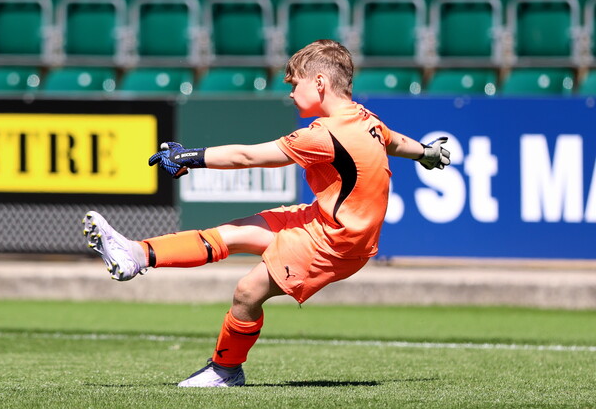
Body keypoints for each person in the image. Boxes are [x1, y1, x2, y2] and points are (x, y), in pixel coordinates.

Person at [82, 39, 450, 388]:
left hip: (335, 244)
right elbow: (394, 140)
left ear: (320, 82)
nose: (290, 92)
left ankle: (225, 370)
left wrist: (191, 157)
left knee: (246, 292)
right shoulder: (365, 119)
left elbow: (248, 156)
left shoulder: (323, 135)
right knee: (232, 233)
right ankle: (135, 255)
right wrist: (426, 153)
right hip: (320, 222)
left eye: (295, 83)